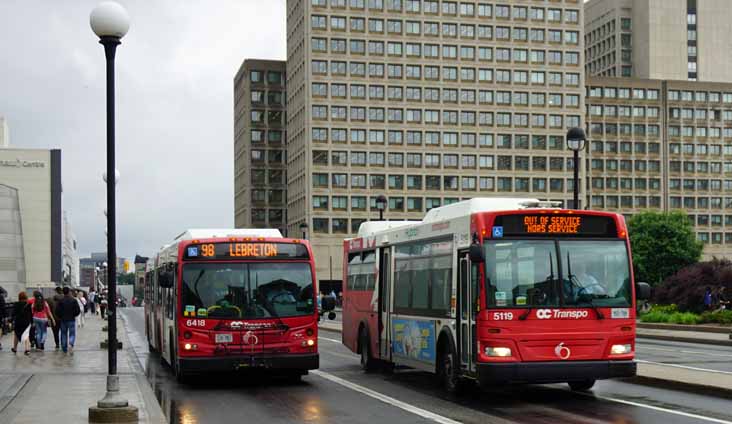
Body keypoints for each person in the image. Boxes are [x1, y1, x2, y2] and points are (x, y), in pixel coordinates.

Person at [56, 287, 81, 354]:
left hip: (63, 320)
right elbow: (78, 310)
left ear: (63, 292)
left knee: (63, 334)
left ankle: (64, 348)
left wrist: (60, 316)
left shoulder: (60, 301)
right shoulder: (73, 300)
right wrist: (74, 315)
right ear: (69, 292)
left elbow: (57, 311)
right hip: (71, 319)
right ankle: (71, 343)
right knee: (72, 333)